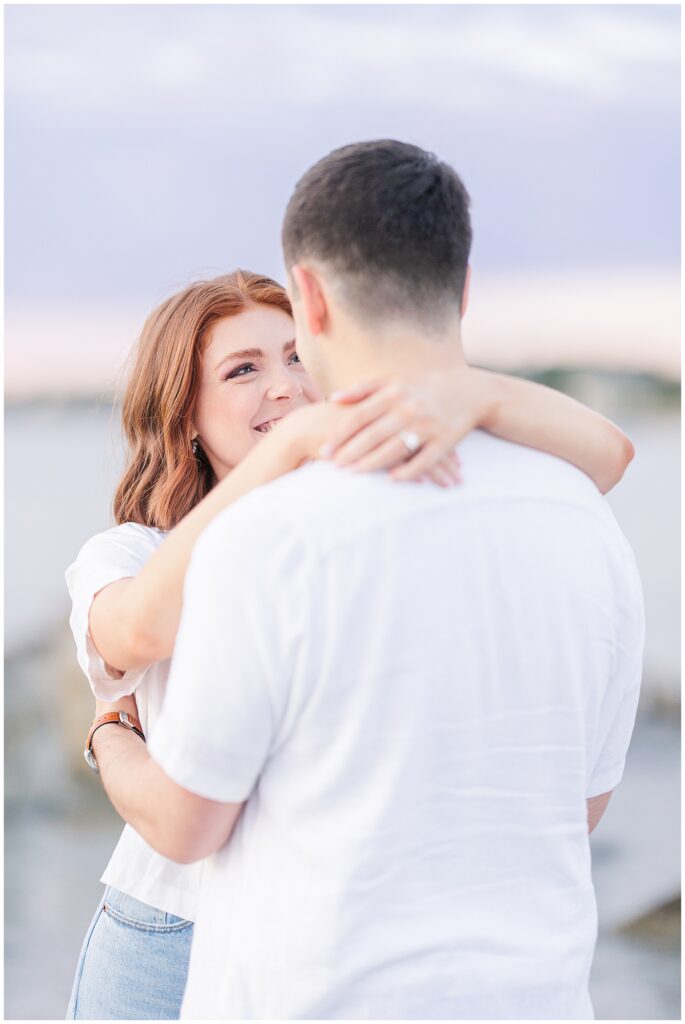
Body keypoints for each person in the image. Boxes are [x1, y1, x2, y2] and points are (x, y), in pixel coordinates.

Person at [68, 153, 640, 1020]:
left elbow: (607, 456)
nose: (286, 383)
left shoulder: (342, 514)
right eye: (242, 370)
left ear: (320, 311)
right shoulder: (138, 549)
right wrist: (287, 454)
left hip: (300, 930)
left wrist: (469, 393)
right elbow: (130, 635)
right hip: (166, 928)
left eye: (295, 353)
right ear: (182, 412)